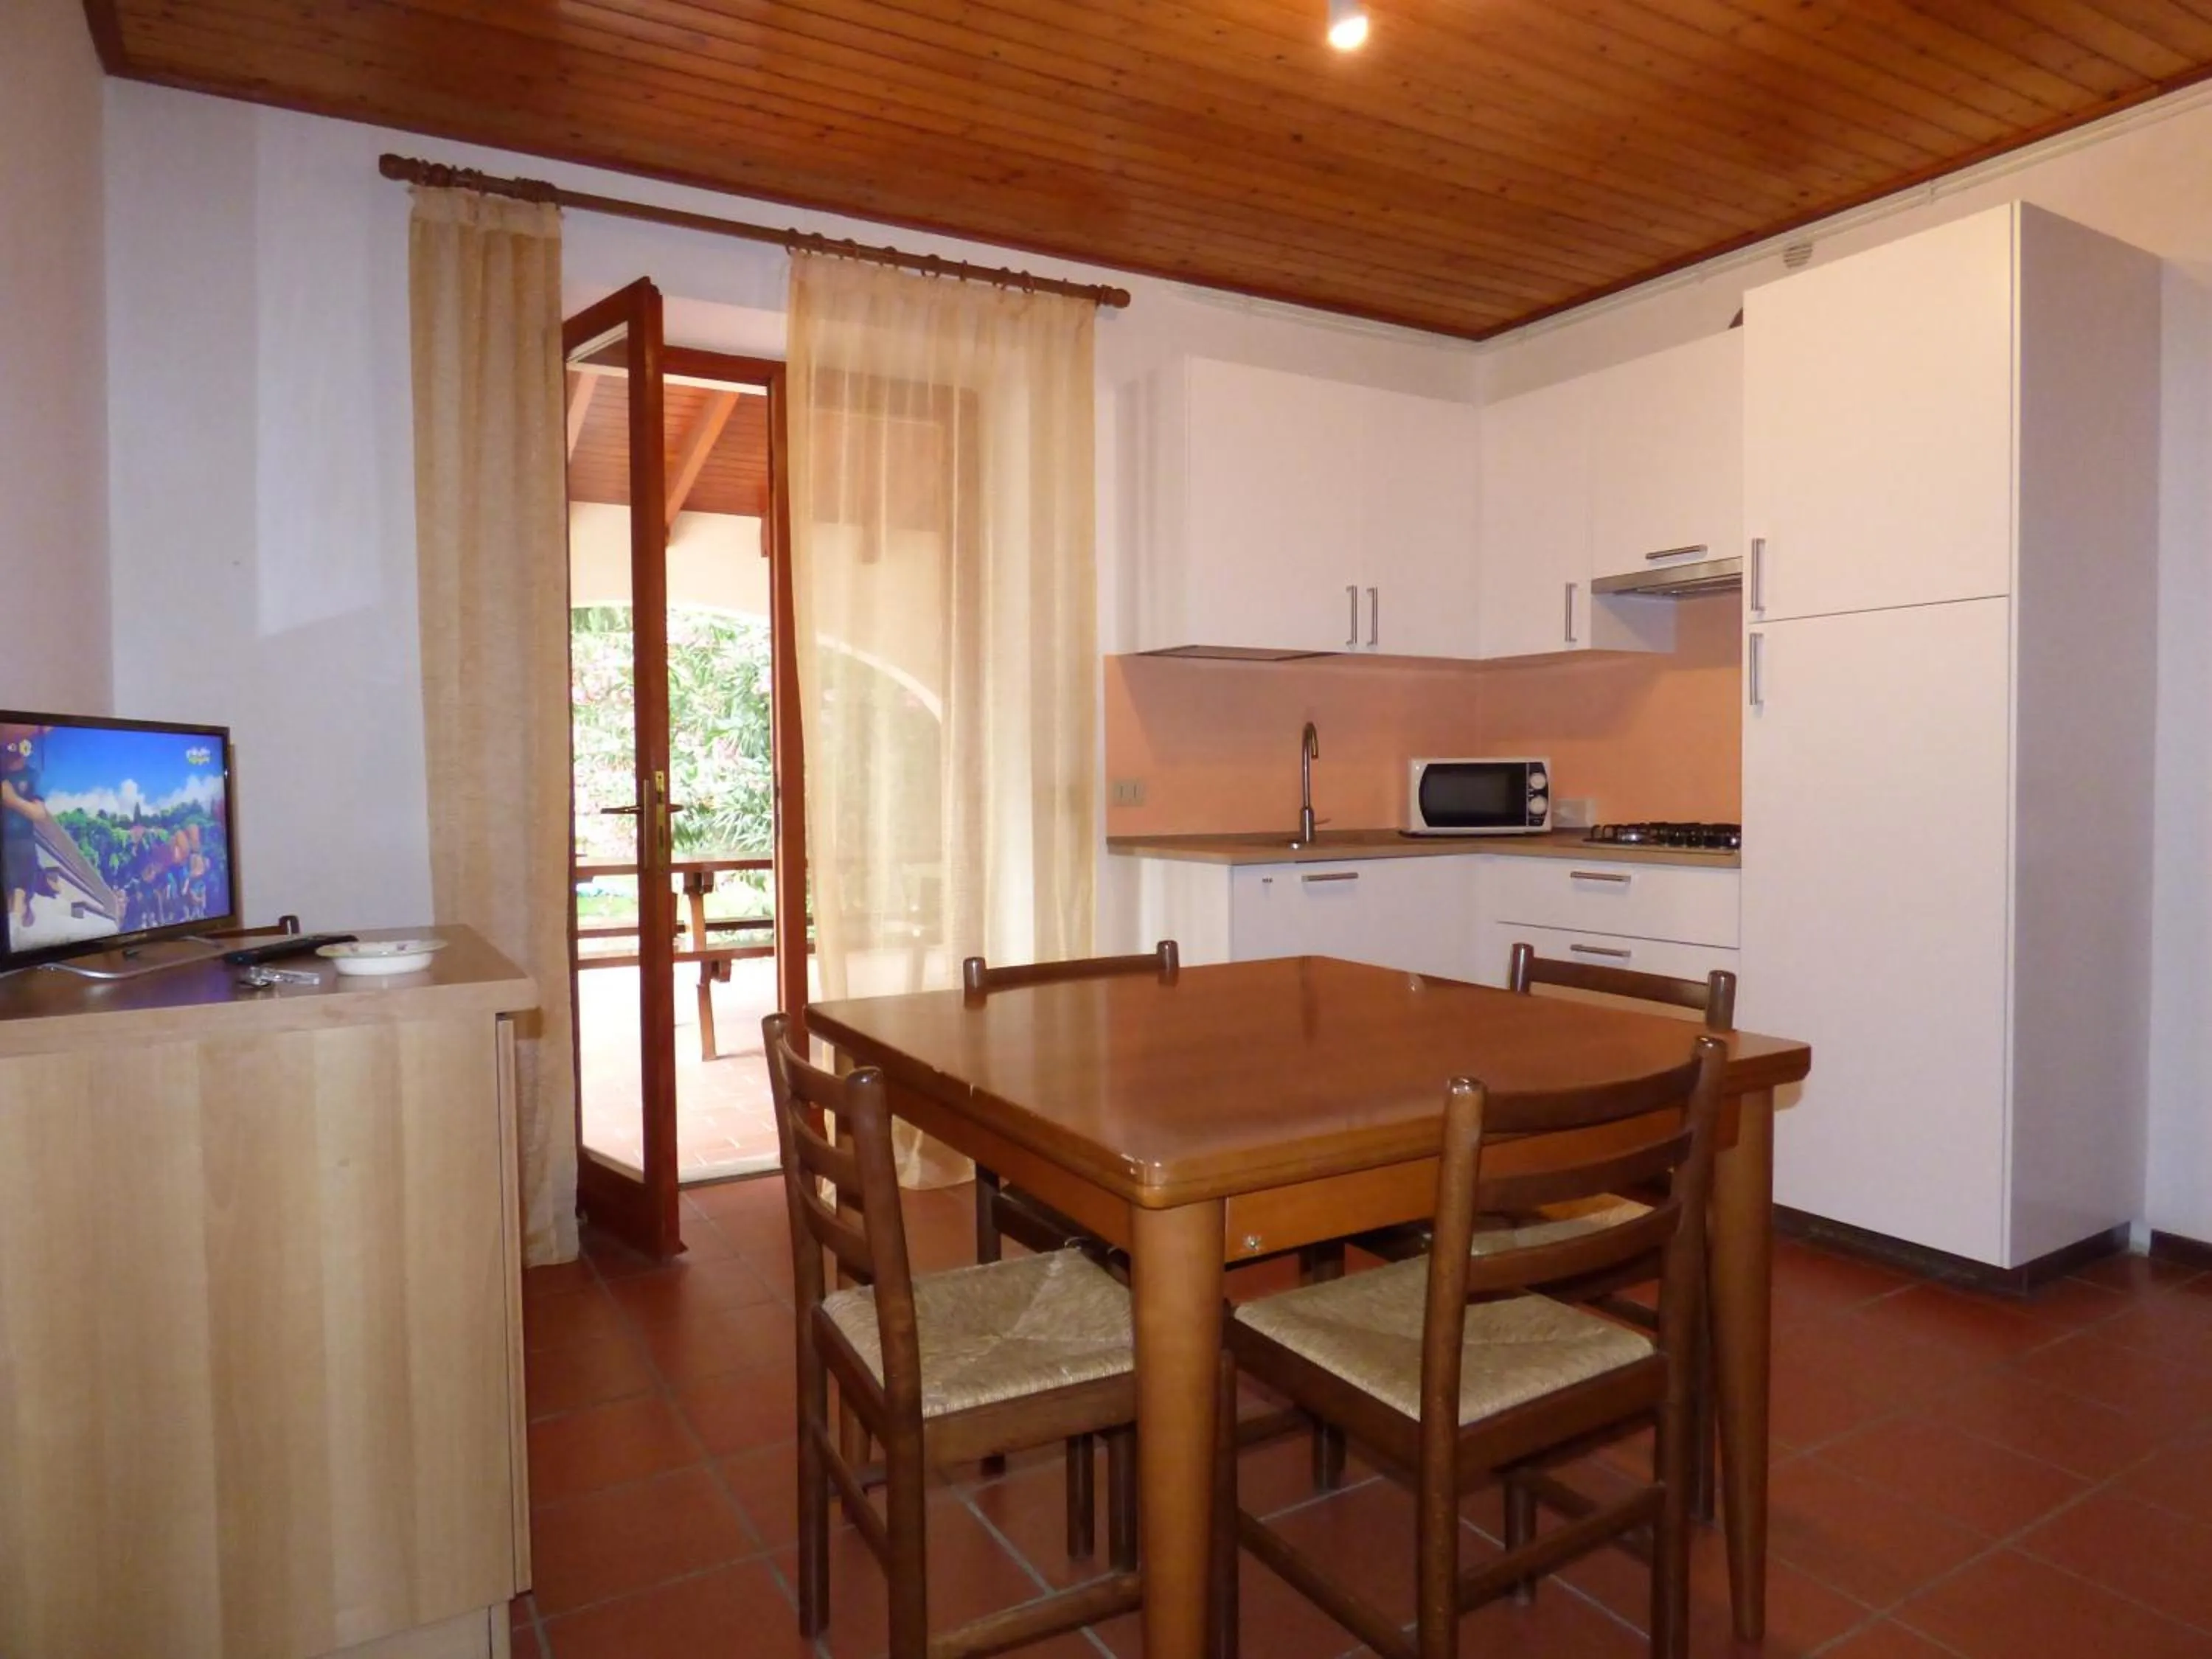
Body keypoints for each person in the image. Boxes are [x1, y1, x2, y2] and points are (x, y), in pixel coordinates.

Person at [1, 724, 53, 933]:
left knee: (18, 892)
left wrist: (12, 800)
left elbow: (40, 814)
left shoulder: (31, 776)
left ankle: (19, 924)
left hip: (22, 844)